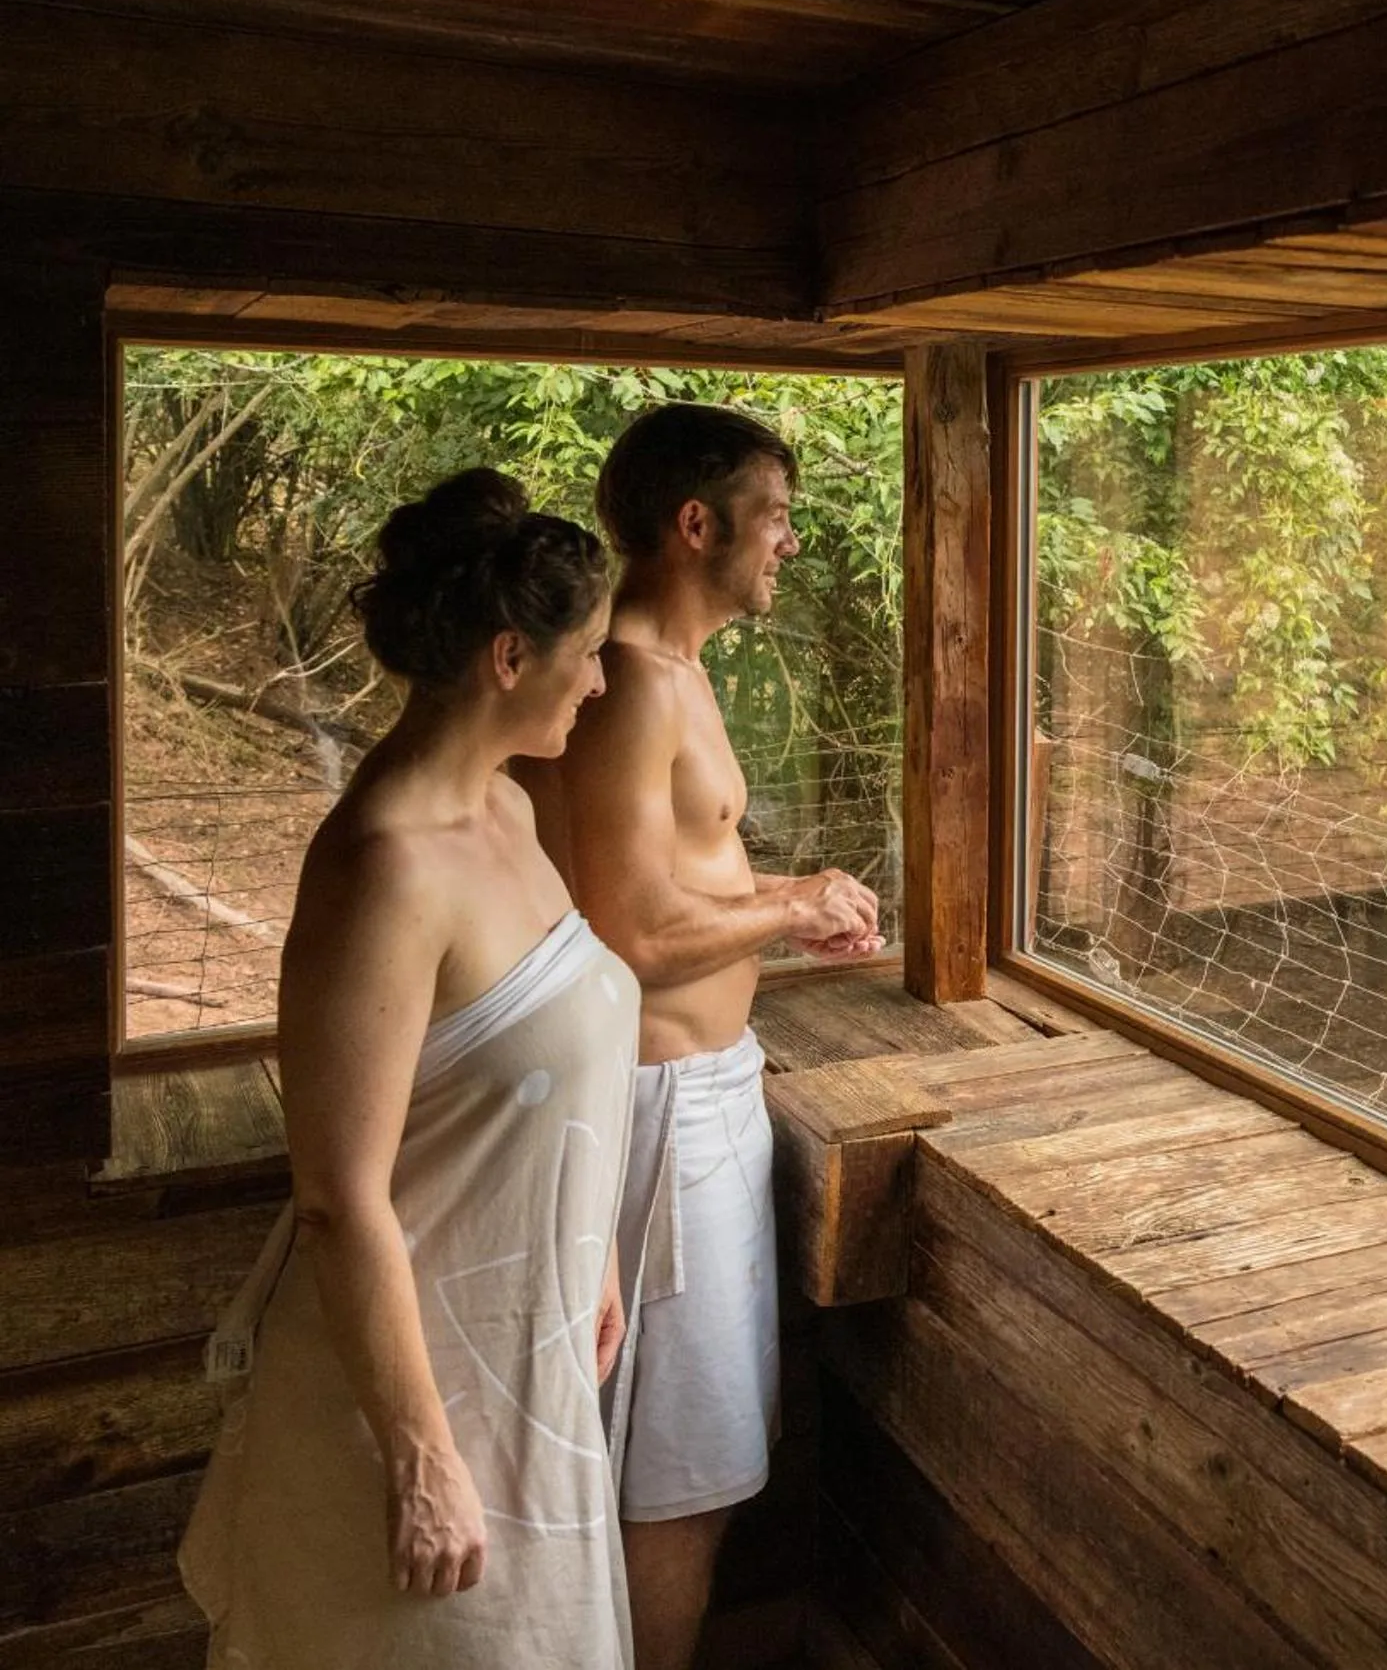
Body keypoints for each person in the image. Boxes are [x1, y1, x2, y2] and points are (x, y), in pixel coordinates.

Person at [179, 469, 631, 1668]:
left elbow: (549, 1069)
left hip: (525, 1348)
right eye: (585, 653)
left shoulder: (512, 815)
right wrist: (421, 1462)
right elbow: (338, 1195)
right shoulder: (384, 868)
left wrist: (594, 1254)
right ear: (505, 657)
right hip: (410, 1397)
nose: (600, 679)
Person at [520, 402, 879, 1670]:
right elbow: (619, 935)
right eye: (774, 517)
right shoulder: (628, 685)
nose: (787, 543)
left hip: (702, 1097)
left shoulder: (673, 674)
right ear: (696, 524)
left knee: (695, 1465)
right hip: (660, 1118)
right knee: (679, 1477)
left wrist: (790, 904)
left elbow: (665, 886)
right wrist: (785, 904)